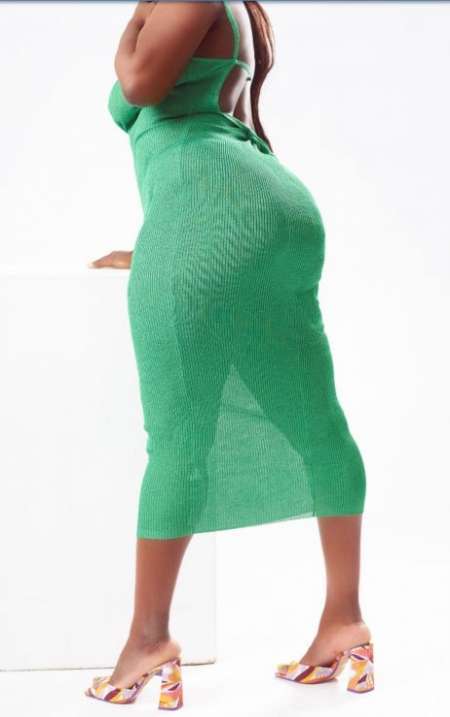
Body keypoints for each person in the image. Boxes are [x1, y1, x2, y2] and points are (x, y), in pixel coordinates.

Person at [85, 1, 374, 708]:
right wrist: (164, 243)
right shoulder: (239, 9)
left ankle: (148, 640)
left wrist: (132, 25)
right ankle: (345, 622)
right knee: (318, 424)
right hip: (267, 206)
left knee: (178, 437)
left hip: (210, 208)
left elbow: (143, 86)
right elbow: (225, 124)